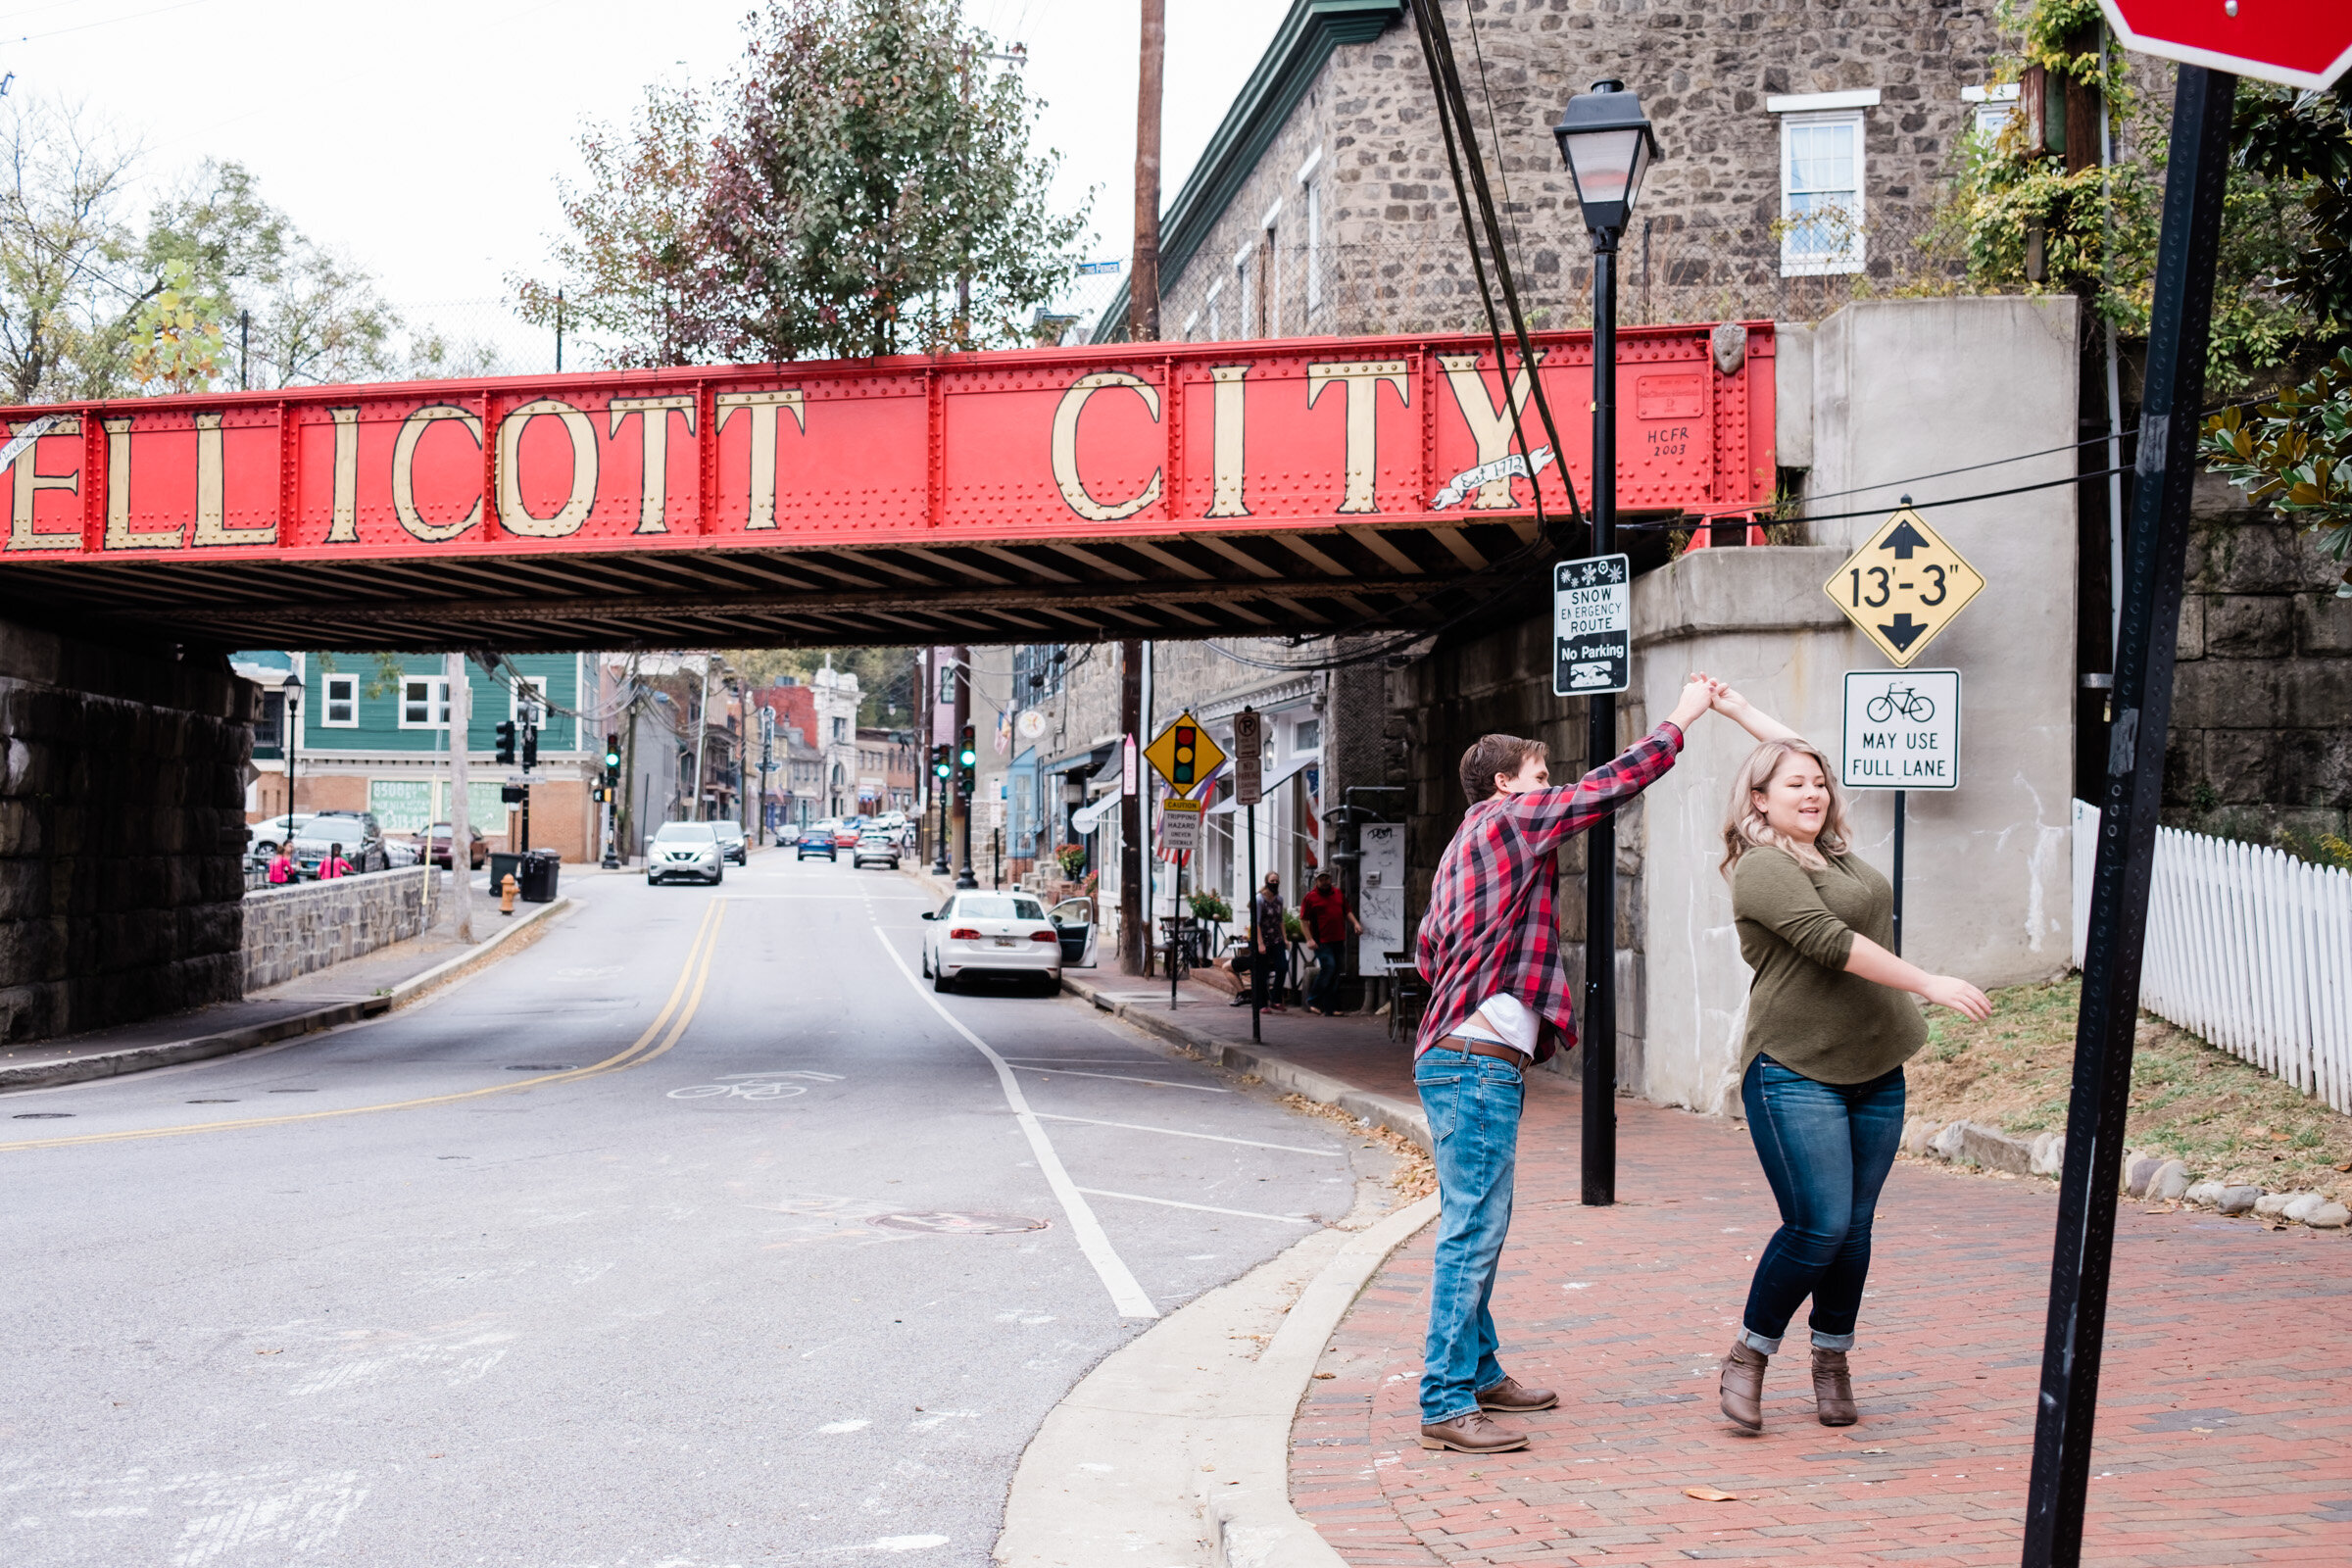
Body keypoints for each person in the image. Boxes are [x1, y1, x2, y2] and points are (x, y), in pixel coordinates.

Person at [1412, 673, 1722, 1456]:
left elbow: (1425, 951)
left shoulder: (1464, 846)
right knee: (1473, 1230)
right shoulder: (1512, 819)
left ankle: (1478, 1373)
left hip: (1463, 1054)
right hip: (1476, 1062)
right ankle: (1446, 1401)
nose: (1550, 792)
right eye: (1539, 777)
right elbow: (1610, 786)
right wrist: (1682, 718)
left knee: (1478, 1222)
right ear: (1505, 783)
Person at [1705, 685, 1991, 1434]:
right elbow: (1833, 945)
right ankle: (1748, 1353)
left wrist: (1740, 711)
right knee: (1818, 1226)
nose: (1814, 791)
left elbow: (1802, 757)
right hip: (1795, 1067)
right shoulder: (1762, 868)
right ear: (1758, 801)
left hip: (1874, 1064)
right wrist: (1928, 980)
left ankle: (1832, 1358)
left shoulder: (1829, 849)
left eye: (1819, 783)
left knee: (1856, 1227)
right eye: (1793, 785)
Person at [1299, 870, 1360, 1015]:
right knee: (1329, 967)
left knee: (1336, 971)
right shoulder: (1310, 897)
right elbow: (1303, 920)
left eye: (1326, 878)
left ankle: (1330, 1007)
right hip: (1321, 940)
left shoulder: (1338, 894)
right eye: (1321, 879)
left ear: (1330, 879)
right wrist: (1309, 939)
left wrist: (1356, 924)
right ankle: (1312, 1000)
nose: (1324, 882)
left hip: (1338, 938)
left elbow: (1347, 911)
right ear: (1316, 881)